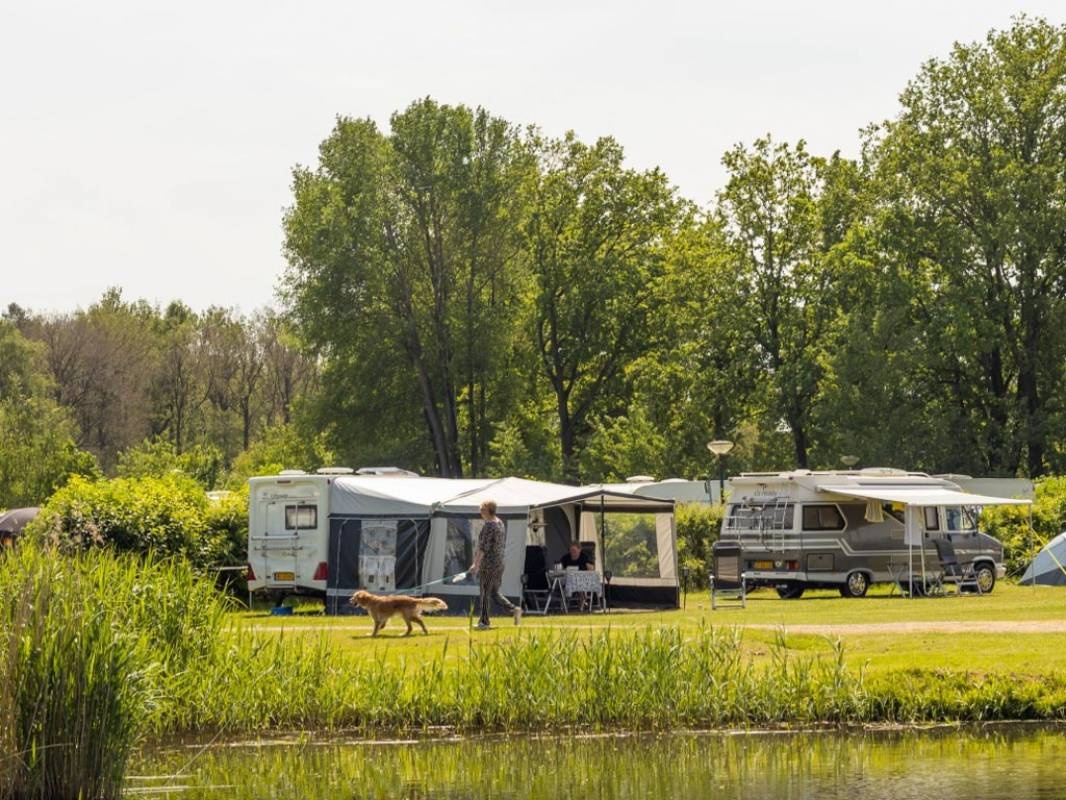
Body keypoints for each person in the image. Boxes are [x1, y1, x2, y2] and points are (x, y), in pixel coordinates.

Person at [469, 499, 522, 629]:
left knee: (485, 593)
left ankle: (484, 622)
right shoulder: (500, 523)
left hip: (489, 565)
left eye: (482, 509)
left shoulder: (489, 526)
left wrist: (475, 564)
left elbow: (483, 548)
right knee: (494, 592)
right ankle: (513, 609)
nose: (480, 512)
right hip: (499, 563)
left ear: (489, 511)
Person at [560, 542, 593, 610]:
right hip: (568, 579)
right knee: (561, 582)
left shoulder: (584, 557)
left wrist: (588, 567)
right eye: (571, 550)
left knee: (581, 583)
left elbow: (591, 568)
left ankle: (581, 606)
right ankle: (565, 605)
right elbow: (560, 568)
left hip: (582, 579)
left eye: (574, 550)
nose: (572, 552)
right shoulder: (565, 558)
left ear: (579, 550)